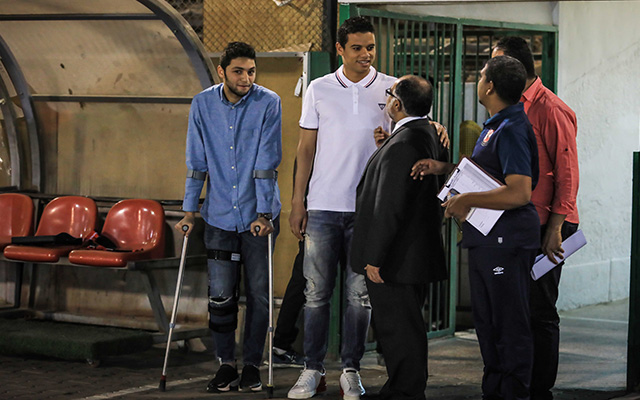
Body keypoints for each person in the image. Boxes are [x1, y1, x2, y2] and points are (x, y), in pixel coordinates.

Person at [412, 55, 540, 400]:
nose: (479, 80)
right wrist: (444, 167)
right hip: (487, 240)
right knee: (489, 324)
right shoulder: (495, 126)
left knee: (508, 326)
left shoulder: (512, 129)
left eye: (481, 76)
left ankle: (514, 393)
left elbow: (519, 191)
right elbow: (491, 174)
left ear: (490, 86)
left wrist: (467, 200)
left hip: (506, 241)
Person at [286, 16, 399, 400]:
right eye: (357, 48)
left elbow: (410, 134)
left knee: (359, 297)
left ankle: (351, 370)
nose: (366, 54)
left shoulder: (391, 89)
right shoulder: (319, 88)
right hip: (322, 207)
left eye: (370, 47)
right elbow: (305, 148)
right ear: (340, 49)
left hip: (368, 210)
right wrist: (298, 201)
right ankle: (313, 369)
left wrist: (428, 131)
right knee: (315, 294)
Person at [175, 41, 282, 393]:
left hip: (258, 216)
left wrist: (264, 213)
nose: (246, 78)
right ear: (222, 71)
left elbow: (267, 162)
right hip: (219, 215)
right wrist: (190, 210)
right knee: (220, 295)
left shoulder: (269, 102)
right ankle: (225, 363)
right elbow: (196, 161)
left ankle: (251, 364)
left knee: (259, 294)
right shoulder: (202, 104)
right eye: (238, 71)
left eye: (251, 71)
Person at [350, 75, 448, 400]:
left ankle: (405, 392)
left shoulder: (404, 143)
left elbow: (389, 207)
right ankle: (402, 387)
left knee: (399, 330)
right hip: (412, 254)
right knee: (405, 328)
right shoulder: (425, 134)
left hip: (396, 258)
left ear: (397, 103)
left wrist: (374, 258)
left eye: (390, 93)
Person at [492, 37, 579, 400]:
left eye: (494, 62)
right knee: (517, 310)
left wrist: (555, 229)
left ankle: (540, 388)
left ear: (513, 65)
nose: (487, 71)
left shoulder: (551, 109)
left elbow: (567, 174)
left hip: (550, 226)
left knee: (540, 311)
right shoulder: (509, 106)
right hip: (521, 223)